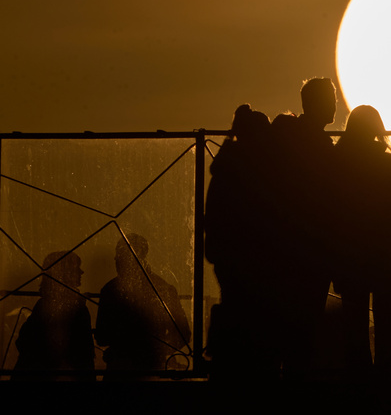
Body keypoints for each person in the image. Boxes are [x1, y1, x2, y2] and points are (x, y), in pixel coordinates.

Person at [269, 77, 339, 377]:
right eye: (331, 100)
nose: (335, 106)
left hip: (288, 243)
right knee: (306, 314)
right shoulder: (319, 147)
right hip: (312, 246)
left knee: (292, 314)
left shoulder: (286, 139)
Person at [330, 104, 391, 373]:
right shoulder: (388, 164)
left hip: (350, 253)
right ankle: (387, 372)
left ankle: (357, 375)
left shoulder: (336, 161)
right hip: (386, 255)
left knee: (354, 320)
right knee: (388, 319)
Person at [204, 103, 278, 378]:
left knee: (233, 307)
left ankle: (229, 366)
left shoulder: (225, 169)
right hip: (256, 259)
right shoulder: (264, 173)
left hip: (227, 256)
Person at [94, 234, 192, 379]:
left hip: (119, 372)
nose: (116, 260)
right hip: (151, 371)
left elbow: (101, 337)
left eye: (120, 255)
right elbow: (183, 333)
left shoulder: (110, 290)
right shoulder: (164, 289)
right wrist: (158, 351)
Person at [12, 251, 95, 380]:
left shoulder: (44, 305)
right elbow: (82, 351)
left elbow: (26, 342)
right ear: (66, 273)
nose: (81, 272)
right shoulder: (75, 307)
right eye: (76, 268)